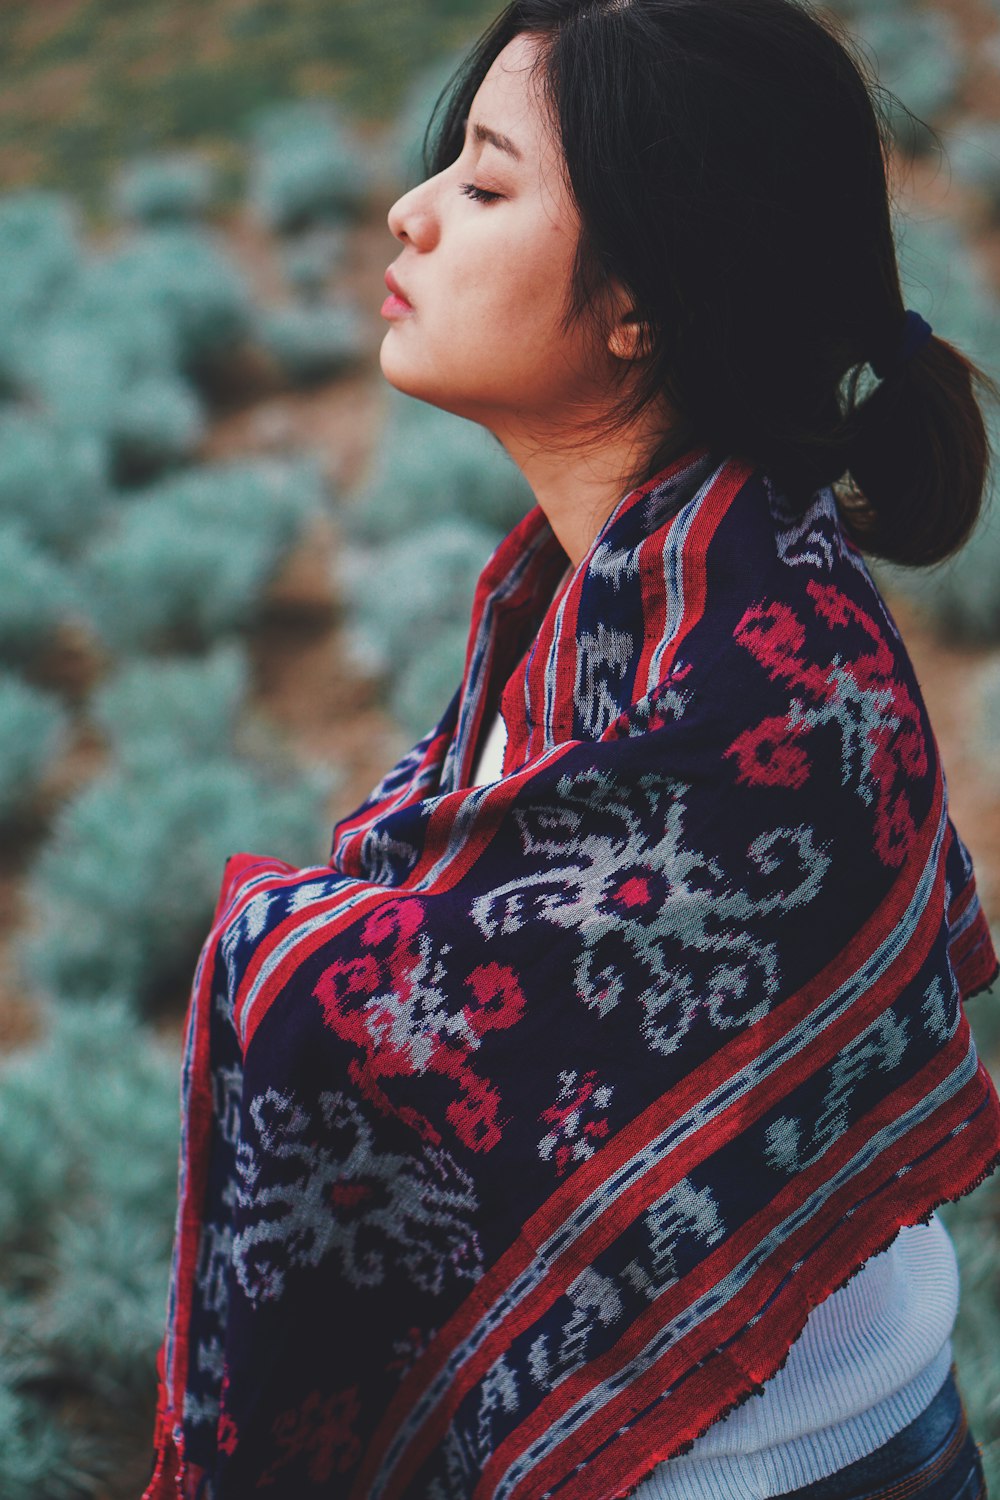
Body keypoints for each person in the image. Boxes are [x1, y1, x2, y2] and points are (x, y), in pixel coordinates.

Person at [144, 2, 1000, 1496]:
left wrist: (286, 958)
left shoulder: (763, 683)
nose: (406, 215)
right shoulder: (592, 600)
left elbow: (488, 1023)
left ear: (644, 302)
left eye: (482, 185)